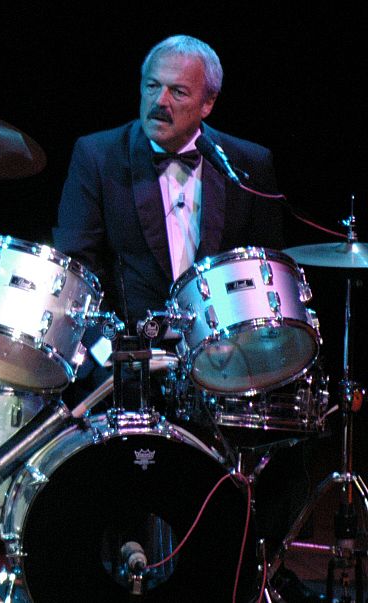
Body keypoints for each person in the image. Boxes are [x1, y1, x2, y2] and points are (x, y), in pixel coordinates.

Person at [52, 35, 323, 601]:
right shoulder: (97, 155)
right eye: (152, 86)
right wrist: (116, 342)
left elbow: (269, 271)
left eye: (178, 91)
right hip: (130, 357)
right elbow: (77, 267)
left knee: (303, 436)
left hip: (220, 356)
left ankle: (247, 568)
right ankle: (124, 555)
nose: (161, 101)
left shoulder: (247, 163)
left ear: (207, 104)